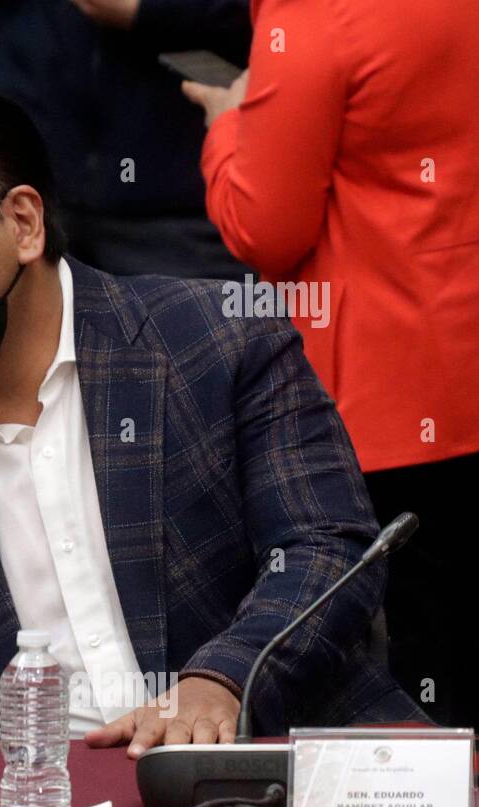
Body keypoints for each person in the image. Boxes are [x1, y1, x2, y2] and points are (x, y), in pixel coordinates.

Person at [0, 88, 423, 753]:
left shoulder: (219, 342)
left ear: (22, 223)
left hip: (281, 776)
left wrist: (224, 679)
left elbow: (329, 548)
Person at [183, 0, 479, 729]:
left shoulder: (317, 15)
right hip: (456, 358)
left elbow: (264, 226)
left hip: (383, 385)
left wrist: (228, 122)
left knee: (404, 675)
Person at [0, 0, 251, 279]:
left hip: (174, 196)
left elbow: (284, 16)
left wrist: (152, 7)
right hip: (17, 174)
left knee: (195, 328)